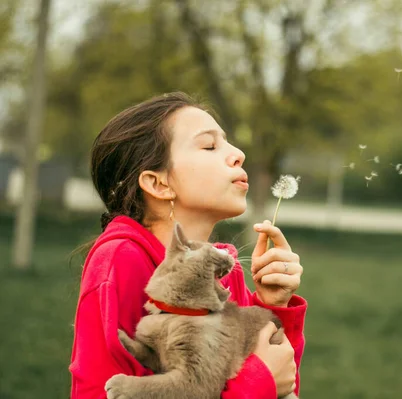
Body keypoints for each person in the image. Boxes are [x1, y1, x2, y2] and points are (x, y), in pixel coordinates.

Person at [69, 92, 306, 399]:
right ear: (159, 184)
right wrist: (256, 382)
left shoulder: (224, 273)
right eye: (209, 145)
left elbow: (280, 383)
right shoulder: (121, 262)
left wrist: (273, 306)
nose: (238, 154)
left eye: (227, 142)